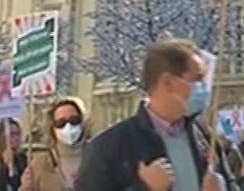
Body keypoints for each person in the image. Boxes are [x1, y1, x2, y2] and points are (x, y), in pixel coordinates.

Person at [75, 39, 233, 191]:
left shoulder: (204, 137)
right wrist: (144, 188)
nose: (203, 88)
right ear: (168, 82)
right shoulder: (109, 146)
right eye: (197, 79)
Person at [19, 97, 90, 191]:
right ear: (52, 127)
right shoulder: (40, 163)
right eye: (61, 123)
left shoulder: (98, 157)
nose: (68, 127)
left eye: (74, 120)